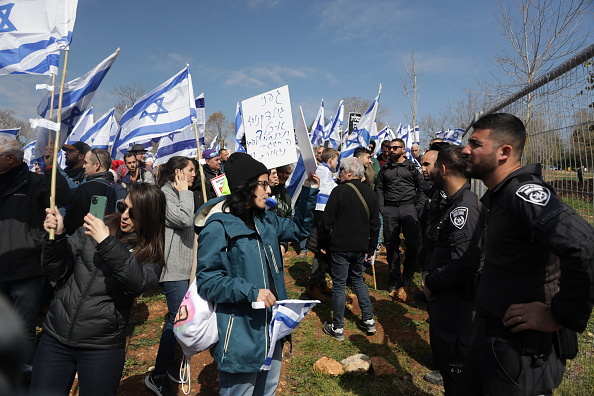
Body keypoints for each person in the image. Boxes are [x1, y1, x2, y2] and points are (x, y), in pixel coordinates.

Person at [460, 113, 594, 395]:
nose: (465, 150)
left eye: (475, 143)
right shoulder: (499, 195)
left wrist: (559, 315)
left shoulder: (523, 193)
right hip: (494, 344)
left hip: (520, 354)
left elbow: (584, 245)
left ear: (504, 152)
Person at [195, 152, 319, 396]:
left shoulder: (265, 220)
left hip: (272, 328)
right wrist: (251, 292)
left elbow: (299, 229)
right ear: (245, 187)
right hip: (241, 332)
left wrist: (308, 191)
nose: (269, 191)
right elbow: (208, 281)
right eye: (263, 184)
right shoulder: (218, 227)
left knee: (268, 390)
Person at [31, 183, 166, 396]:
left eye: (134, 212)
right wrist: (57, 237)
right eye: (123, 207)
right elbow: (56, 271)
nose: (125, 215)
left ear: (150, 216)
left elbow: (135, 283)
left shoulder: (151, 253)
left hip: (101, 348)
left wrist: (106, 242)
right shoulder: (98, 225)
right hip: (56, 336)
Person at [421, 146, 486, 395]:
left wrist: (432, 283)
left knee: (460, 379)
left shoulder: (464, 209)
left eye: (433, 166)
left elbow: (463, 263)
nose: (429, 171)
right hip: (449, 302)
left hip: (459, 306)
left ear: (444, 169)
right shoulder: (452, 203)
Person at [145, 157, 196, 395]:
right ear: (178, 173)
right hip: (172, 269)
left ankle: (172, 366)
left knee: (181, 321)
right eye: (191, 170)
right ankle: (157, 375)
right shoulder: (164, 195)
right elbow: (184, 219)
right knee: (177, 321)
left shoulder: (177, 193)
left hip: (185, 267)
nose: (195, 174)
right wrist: (186, 192)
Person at [0, 137, 49, 379]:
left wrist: (51, 167)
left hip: (26, 270)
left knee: (24, 327)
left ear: (10, 158)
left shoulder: (36, 182)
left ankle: (25, 373)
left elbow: (61, 197)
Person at [318, 157, 380, 341]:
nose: (340, 173)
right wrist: (371, 248)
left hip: (339, 246)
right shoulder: (370, 193)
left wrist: (322, 244)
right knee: (357, 280)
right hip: (360, 246)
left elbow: (326, 221)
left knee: (339, 285)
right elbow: (375, 224)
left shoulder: (338, 191)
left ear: (350, 173)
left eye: (342, 171)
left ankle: (337, 327)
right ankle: (368, 320)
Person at [375, 138, 427, 292]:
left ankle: (407, 278)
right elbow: (379, 189)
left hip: (409, 209)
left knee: (412, 245)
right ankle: (394, 279)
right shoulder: (385, 169)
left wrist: (417, 208)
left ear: (403, 149)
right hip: (390, 210)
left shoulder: (412, 168)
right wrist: (382, 208)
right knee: (391, 245)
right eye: (390, 148)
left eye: (395, 148)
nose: (391, 150)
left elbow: (422, 188)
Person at [63, 149, 125, 236]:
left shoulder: (85, 189)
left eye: (86, 163)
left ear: (97, 165)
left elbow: (71, 224)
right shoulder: (121, 188)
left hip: (90, 243)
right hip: (115, 240)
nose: (83, 166)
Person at [306, 148, 339, 301]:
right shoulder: (323, 171)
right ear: (331, 159)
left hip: (324, 214)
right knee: (320, 251)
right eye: (336, 160)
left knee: (324, 251)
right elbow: (323, 193)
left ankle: (321, 282)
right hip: (321, 214)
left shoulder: (326, 171)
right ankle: (313, 286)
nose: (337, 163)